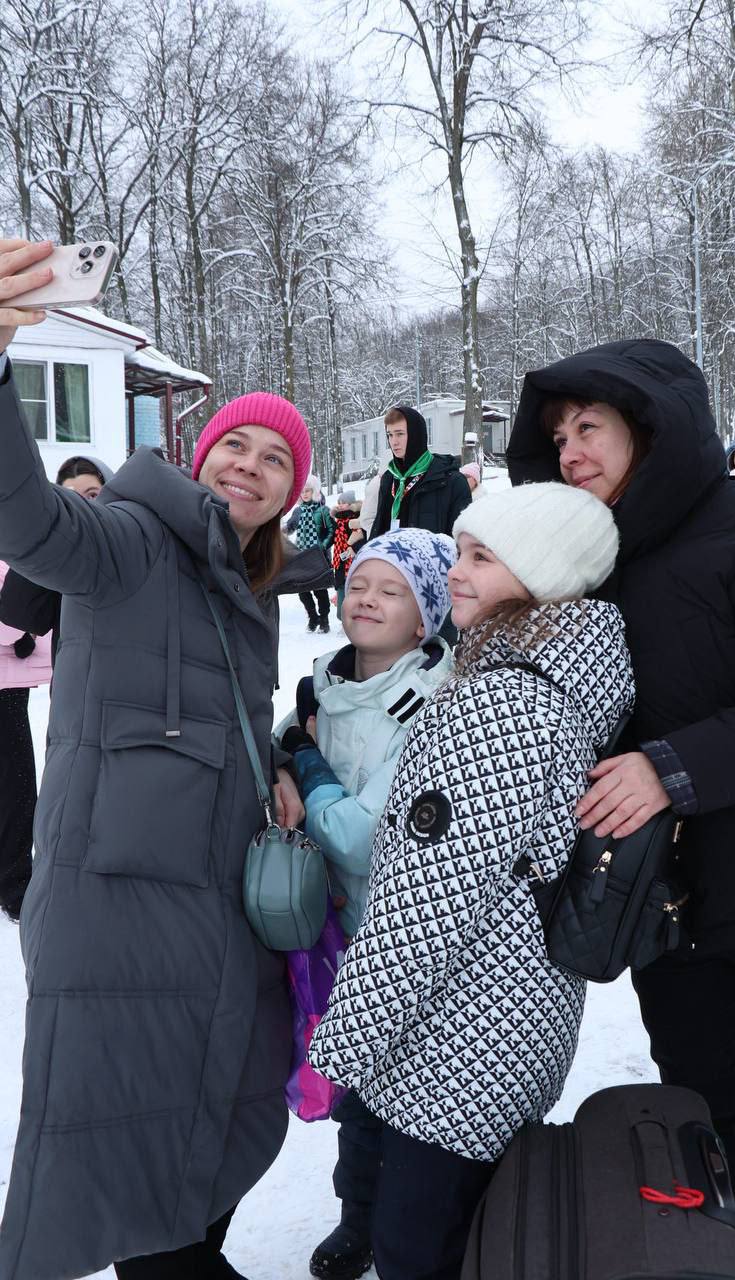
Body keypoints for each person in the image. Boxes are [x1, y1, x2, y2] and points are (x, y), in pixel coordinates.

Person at [505, 337, 735, 1273]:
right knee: (700, 1147)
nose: (570, 449)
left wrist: (670, 768)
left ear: (650, 432)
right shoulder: (584, 559)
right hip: (666, 913)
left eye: (590, 427)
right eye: (557, 435)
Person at [0, 236, 310, 1280]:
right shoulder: (130, 539)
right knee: (133, 1172)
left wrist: (270, 760)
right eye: (237, 446)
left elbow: (221, 712)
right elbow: (30, 522)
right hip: (119, 920)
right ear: (198, 453)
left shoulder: (246, 593)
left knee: (215, 1128)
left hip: (215, 913)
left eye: (275, 460)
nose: (251, 468)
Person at [309, 482, 634, 1280]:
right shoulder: (563, 674)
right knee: (477, 1239)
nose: (457, 571)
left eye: (482, 557)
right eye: (459, 550)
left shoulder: (503, 703)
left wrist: (343, 1041)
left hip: (457, 1040)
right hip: (511, 1015)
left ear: (541, 574)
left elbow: (428, 899)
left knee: (420, 1252)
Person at [274, 528, 456, 1280]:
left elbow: (358, 837)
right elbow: (280, 746)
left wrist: (305, 764)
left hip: (402, 934)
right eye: (357, 586)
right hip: (333, 926)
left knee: (403, 1087)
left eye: (392, 591)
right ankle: (357, 1216)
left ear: (426, 618)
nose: (365, 600)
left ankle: (411, 1225)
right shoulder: (321, 682)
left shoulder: (433, 702)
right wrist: (288, 756)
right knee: (353, 1091)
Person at [0, 453, 115, 662]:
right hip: (71, 689)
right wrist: (39, 539)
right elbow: (20, 614)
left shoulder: (138, 551)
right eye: (73, 498)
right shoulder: (60, 566)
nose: (84, 507)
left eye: (92, 495)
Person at [0, 559, 51, 921]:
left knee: (15, 785)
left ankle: (16, 883)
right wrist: (18, 627)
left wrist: (25, 630)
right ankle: (16, 885)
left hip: (9, 682)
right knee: (15, 786)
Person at [370, 406, 471, 539]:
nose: (394, 442)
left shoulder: (451, 480)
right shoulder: (389, 479)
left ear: (416, 435)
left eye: (400, 434)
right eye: (390, 435)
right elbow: (379, 530)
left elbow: (461, 541)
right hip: (392, 558)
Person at [287, 475, 335, 632]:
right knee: (302, 590)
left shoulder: (323, 511)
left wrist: (322, 546)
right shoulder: (298, 511)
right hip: (301, 556)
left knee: (320, 590)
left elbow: (331, 531)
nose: (305, 494)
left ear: (314, 491)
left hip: (318, 557)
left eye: (308, 490)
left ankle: (324, 620)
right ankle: (313, 617)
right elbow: (290, 527)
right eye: (302, 491)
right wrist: (281, 531)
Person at [330, 490, 361, 623]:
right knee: (341, 586)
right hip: (340, 560)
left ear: (351, 504)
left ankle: (351, 618)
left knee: (351, 587)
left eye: (344, 503)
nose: (340, 506)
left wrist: (350, 549)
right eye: (339, 503)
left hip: (351, 559)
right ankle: (343, 617)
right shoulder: (339, 520)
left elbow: (358, 538)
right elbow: (334, 537)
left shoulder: (354, 520)